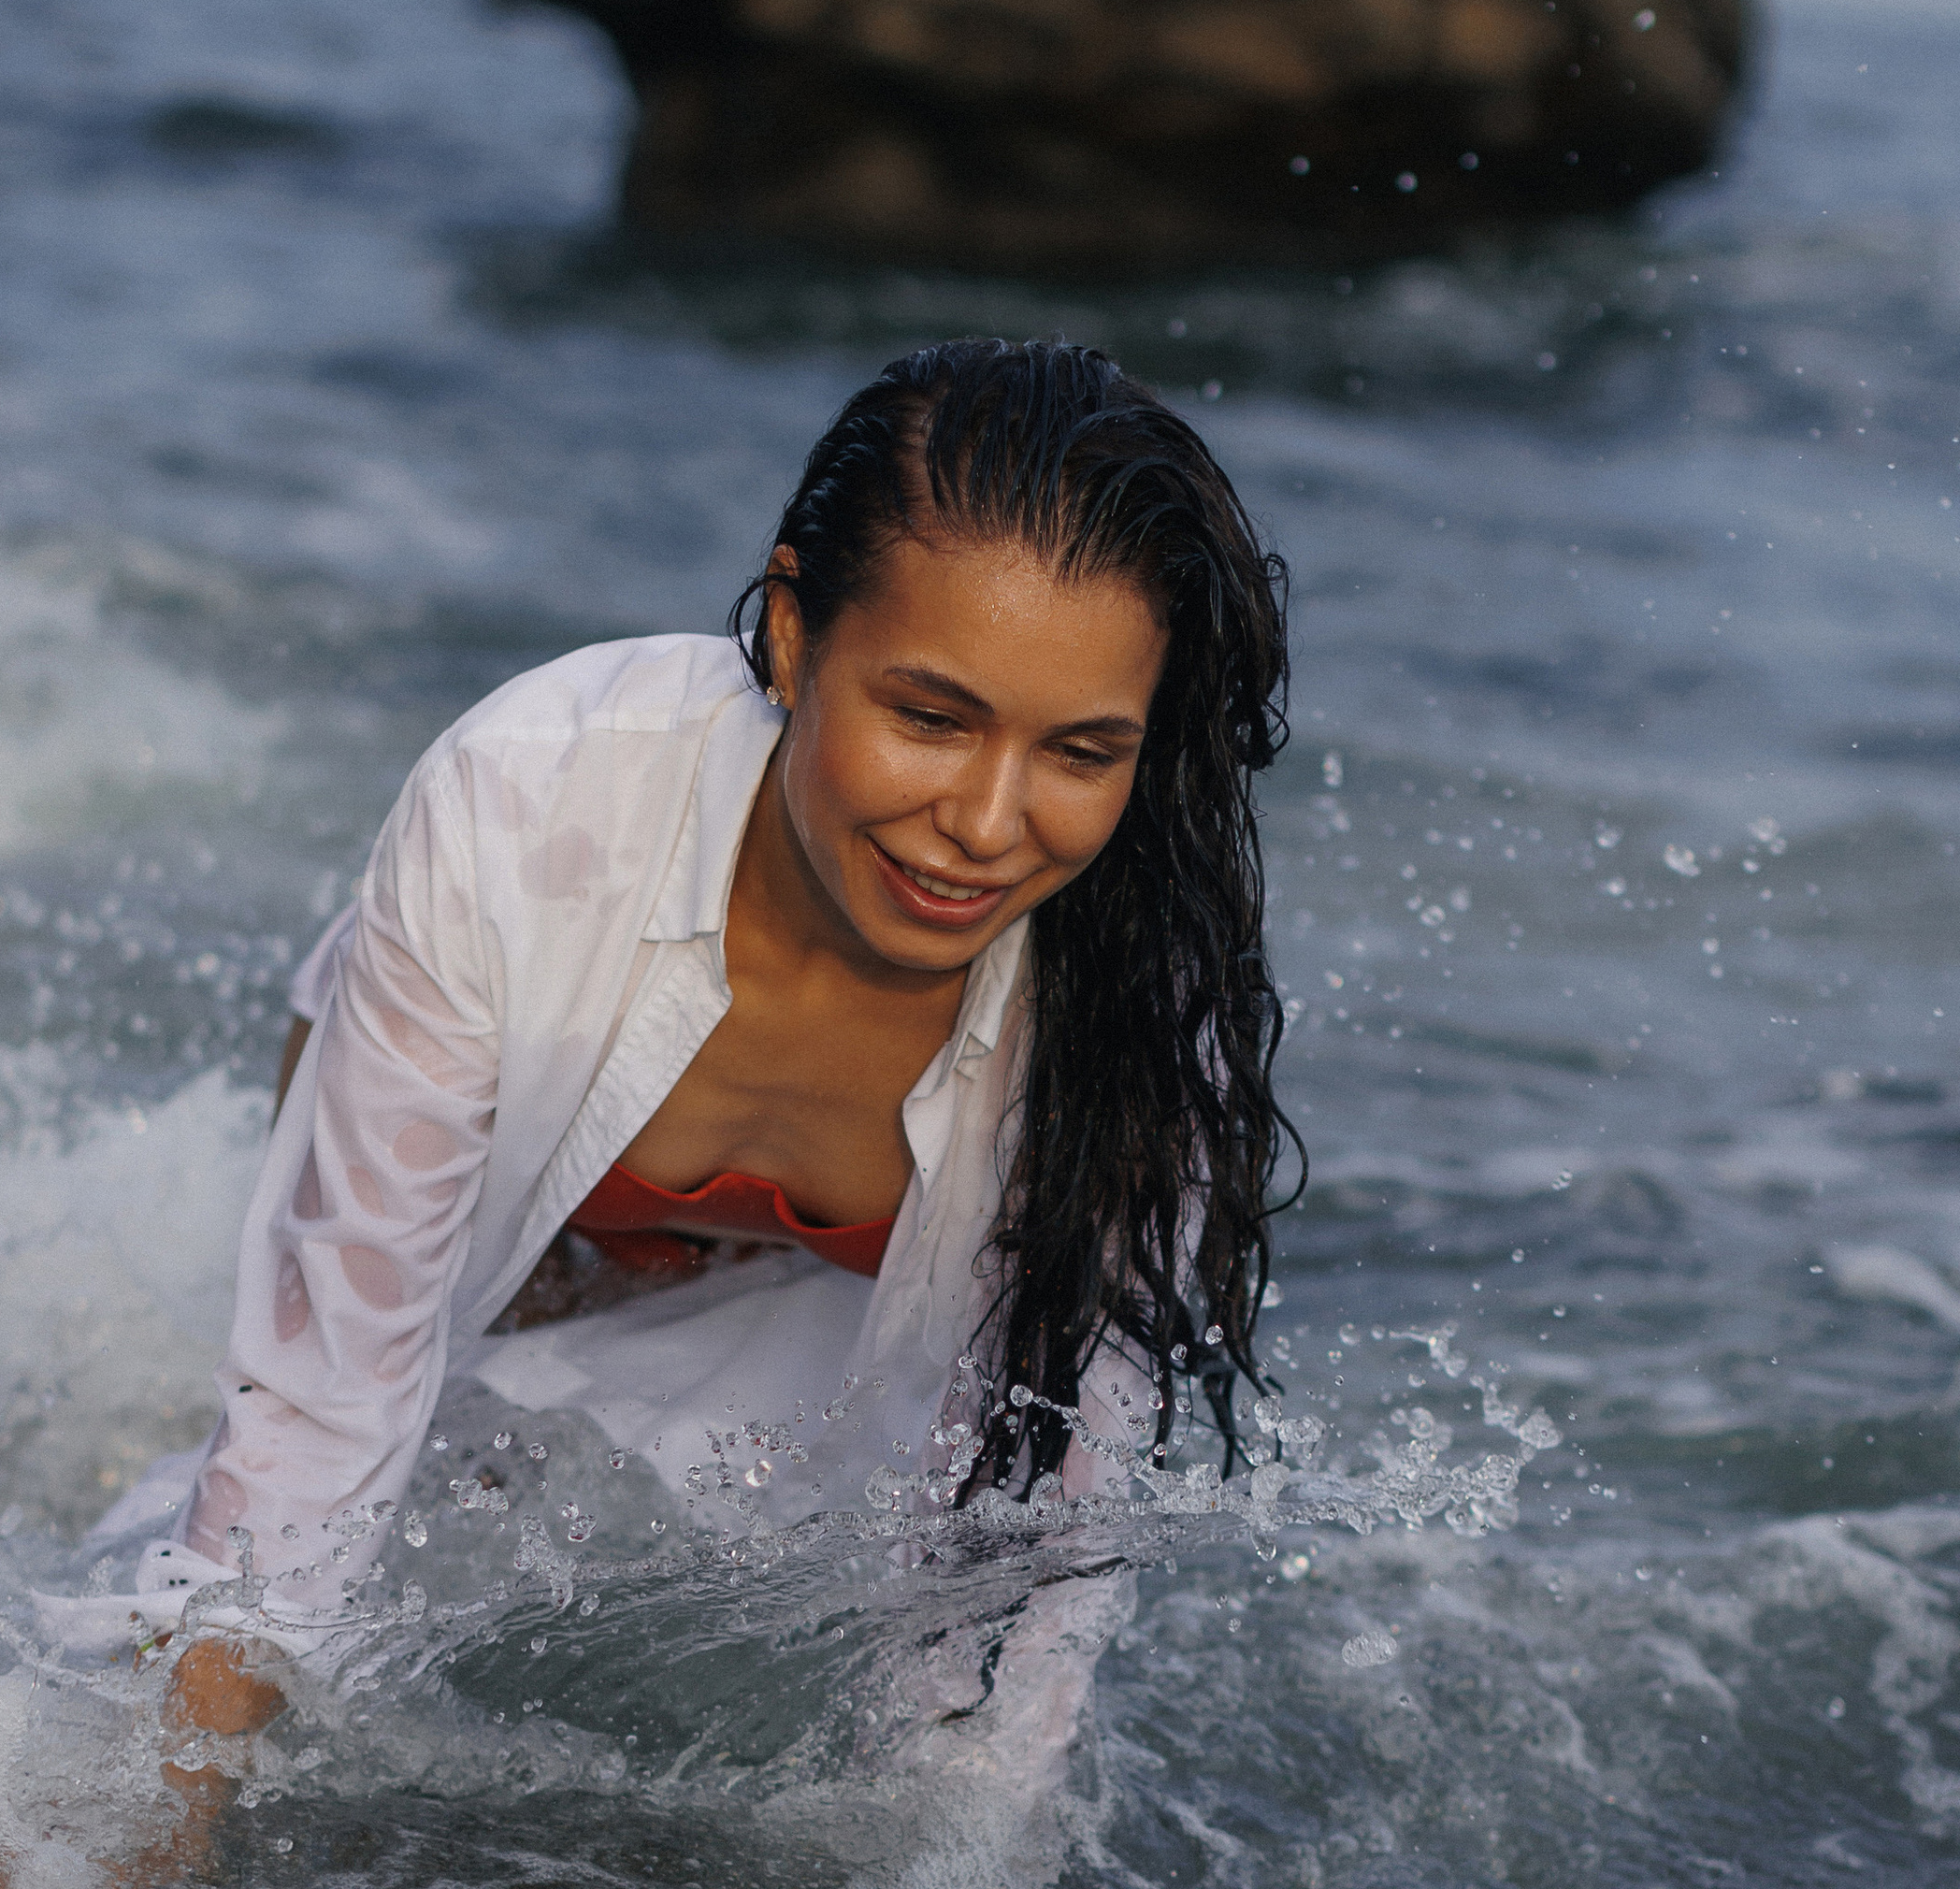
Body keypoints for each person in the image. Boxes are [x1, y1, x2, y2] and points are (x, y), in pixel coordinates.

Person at [138, 336, 1298, 1795]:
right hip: (460, 1214)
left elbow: (1036, 1546)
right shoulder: (529, 798)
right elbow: (322, 1406)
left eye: (1081, 751)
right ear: (797, 635)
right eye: (930, 719)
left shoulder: (1135, 1008)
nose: (990, 824)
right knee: (215, 1615)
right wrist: (162, 1803)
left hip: (761, 1341)